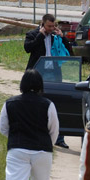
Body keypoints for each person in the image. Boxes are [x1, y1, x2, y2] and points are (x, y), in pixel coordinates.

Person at [0, 69, 59, 180]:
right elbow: (54, 130)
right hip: (42, 151)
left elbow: (3, 128)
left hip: (17, 150)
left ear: (22, 85)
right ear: (40, 85)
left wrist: (16, 138)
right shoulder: (48, 104)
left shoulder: (9, 103)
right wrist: (47, 145)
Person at [23, 14, 72, 148]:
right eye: (49, 26)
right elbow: (28, 48)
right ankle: (35, 135)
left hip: (54, 74)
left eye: (53, 25)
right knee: (36, 104)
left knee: (57, 104)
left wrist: (63, 38)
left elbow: (70, 52)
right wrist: (40, 36)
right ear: (43, 24)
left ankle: (59, 138)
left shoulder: (56, 36)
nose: (51, 28)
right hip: (37, 74)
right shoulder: (33, 34)